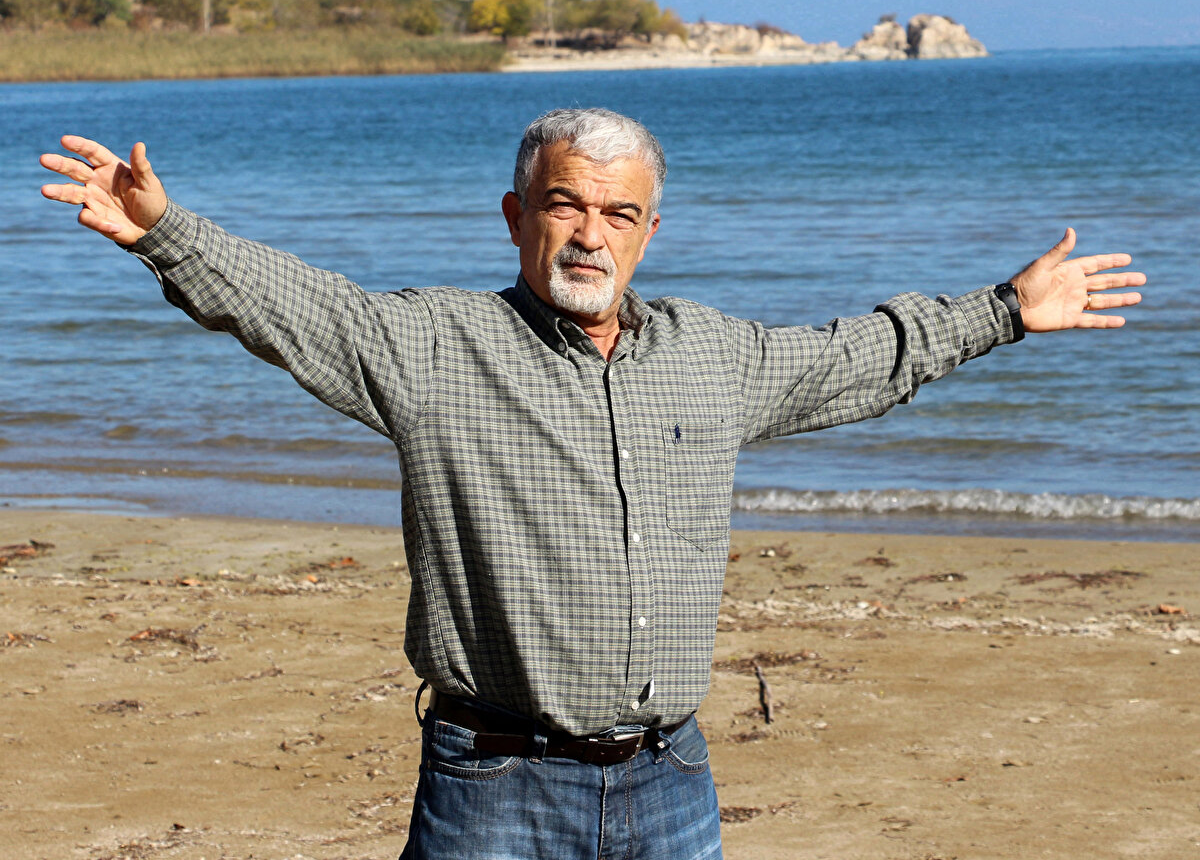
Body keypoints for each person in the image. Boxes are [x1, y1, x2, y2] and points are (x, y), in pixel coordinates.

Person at [40, 108, 1145, 860]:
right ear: (517, 216)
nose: (590, 234)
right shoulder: (439, 348)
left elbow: (863, 355)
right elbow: (301, 308)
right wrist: (166, 234)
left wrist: (1004, 310)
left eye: (619, 214)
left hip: (671, 782)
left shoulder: (716, 357)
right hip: (495, 789)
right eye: (566, 205)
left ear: (650, 232)